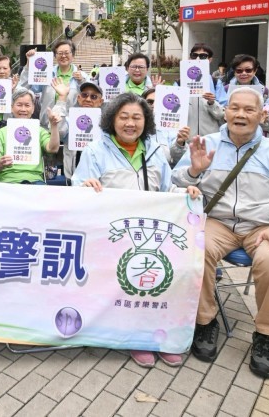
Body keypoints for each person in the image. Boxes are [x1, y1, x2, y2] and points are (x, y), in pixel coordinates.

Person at [173, 87, 269, 379]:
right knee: (195, 250)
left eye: (249, 110)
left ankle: (266, 336)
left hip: (262, 226)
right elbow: (174, 182)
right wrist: (194, 173)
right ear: (225, 112)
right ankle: (205, 321)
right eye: (234, 108)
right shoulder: (205, 144)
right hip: (217, 222)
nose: (240, 114)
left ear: (262, 115)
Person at [72, 92, 199, 369]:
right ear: (112, 120)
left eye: (137, 118)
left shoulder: (154, 151)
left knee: (167, 274)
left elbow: (167, 189)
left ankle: (162, 336)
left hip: (153, 234)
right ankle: (136, 337)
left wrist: (185, 191)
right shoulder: (95, 150)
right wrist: (86, 186)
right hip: (112, 235)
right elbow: (77, 184)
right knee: (130, 279)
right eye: (124, 117)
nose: (130, 123)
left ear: (146, 121)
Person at [0, 89, 62, 184]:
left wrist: (54, 125)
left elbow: (53, 149)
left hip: (34, 180)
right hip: (6, 180)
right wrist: (2, 163)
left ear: (33, 108)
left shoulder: (39, 130)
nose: (23, 109)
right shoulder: (1, 132)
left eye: (27, 105)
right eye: (19, 105)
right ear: (11, 107)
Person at [20, 40, 84, 127]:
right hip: (46, 126)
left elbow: (89, 98)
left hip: (71, 128)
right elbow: (25, 87)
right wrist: (29, 65)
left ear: (73, 55)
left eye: (67, 53)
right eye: (60, 53)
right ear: (55, 56)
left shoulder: (82, 77)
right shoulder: (46, 73)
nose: (63, 56)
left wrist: (82, 82)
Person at [218, 54, 269, 134]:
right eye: (239, 71)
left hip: (258, 138)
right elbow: (218, 117)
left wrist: (263, 120)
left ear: (255, 71)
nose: (244, 73)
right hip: (231, 137)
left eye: (248, 70)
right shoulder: (225, 90)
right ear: (234, 72)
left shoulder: (265, 92)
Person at [63, 80, 105, 180]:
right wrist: (61, 99)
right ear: (78, 98)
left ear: (101, 101)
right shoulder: (69, 119)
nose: (88, 99)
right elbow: (60, 132)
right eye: (84, 95)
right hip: (72, 177)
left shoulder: (106, 124)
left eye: (93, 96)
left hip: (99, 178)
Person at [183, 44, 226, 136]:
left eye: (203, 56)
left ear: (210, 60)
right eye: (194, 55)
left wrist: (212, 103)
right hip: (187, 137)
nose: (198, 59)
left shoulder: (216, 83)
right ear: (190, 58)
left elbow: (223, 115)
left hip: (211, 137)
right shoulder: (179, 83)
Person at [142, 88, 190, 166]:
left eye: (157, 102)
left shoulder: (172, 129)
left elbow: (178, 161)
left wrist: (179, 144)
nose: (154, 105)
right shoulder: (134, 126)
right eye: (150, 102)